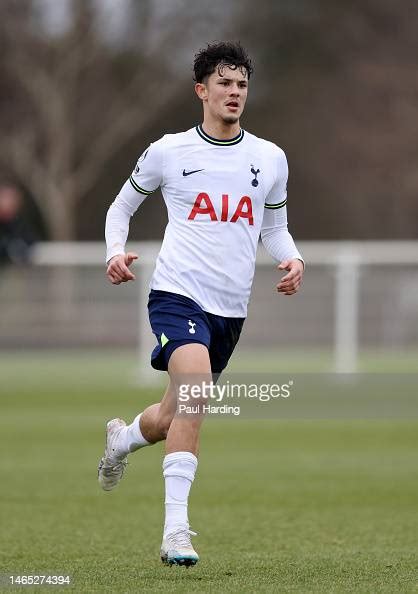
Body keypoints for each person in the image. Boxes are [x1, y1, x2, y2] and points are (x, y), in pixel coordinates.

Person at [99, 41, 304, 567]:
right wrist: (116, 253)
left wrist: (293, 259)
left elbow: (274, 229)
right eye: (224, 84)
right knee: (195, 391)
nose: (234, 93)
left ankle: (122, 440)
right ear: (202, 90)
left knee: (173, 416)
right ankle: (176, 533)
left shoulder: (269, 157)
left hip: (230, 309)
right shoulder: (169, 151)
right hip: (176, 292)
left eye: (241, 85)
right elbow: (120, 208)